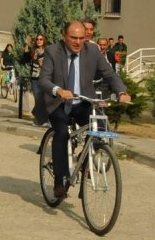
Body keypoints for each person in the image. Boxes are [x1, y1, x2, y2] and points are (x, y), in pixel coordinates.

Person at [33, 21, 131, 198]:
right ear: (64, 36)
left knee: (99, 128)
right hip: (58, 103)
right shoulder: (53, 51)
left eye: (81, 38)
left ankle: (85, 167)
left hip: (82, 101)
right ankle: (60, 180)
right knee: (61, 132)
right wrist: (59, 90)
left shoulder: (92, 51)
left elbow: (109, 74)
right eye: (73, 38)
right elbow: (44, 80)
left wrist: (121, 91)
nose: (78, 42)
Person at [30, 33, 47, 101]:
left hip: (44, 78)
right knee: (37, 99)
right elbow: (25, 57)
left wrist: (42, 65)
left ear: (44, 41)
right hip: (34, 78)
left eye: (41, 39)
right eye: (37, 39)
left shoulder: (47, 52)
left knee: (43, 100)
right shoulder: (34, 51)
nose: (38, 41)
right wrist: (26, 44)